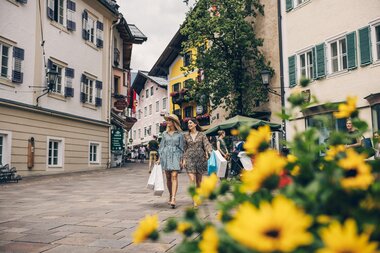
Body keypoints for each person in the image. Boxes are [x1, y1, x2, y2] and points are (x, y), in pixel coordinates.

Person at [182, 118, 213, 207]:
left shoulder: (202, 135)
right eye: (188, 123)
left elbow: (206, 144)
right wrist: (184, 160)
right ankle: (194, 198)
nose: (189, 125)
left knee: (199, 181)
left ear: (195, 124)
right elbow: (184, 149)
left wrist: (210, 151)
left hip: (200, 159)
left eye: (191, 123)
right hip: (189, 159)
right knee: (192, 179)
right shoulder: (186, 136)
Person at [157, 114, 184, 209]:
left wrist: (182, 159)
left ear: (173, 122)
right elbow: (161, 147)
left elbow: (182, 148)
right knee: (168, 177)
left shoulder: (180, 134)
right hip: (166, 156)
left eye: (169, 120)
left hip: (176, 155)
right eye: (167, 120)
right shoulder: (164, 134)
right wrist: (159, 159)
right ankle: (170, 194)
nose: (167, 122)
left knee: (174, 176)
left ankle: (173, 198)